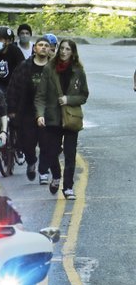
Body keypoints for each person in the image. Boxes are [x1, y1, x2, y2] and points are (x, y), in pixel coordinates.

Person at [35, 39, 89, 200]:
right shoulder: (49, 68)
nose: (64, 52)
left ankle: (68, 187)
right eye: (62, 48)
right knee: (51, 152)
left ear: (73, 52)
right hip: (53, 118)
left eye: (68, 49)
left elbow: (84, 95)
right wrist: (40, 114)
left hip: (71, 117)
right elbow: (40, 95)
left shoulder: (78, 70)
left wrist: (68, 99)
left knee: (70, 154)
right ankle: (56, 176)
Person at [6, 36, 52, 181]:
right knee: (27, 142)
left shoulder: (53, 67)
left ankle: (43, 171)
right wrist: (12, 109)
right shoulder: (24, 66)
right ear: (34, 48)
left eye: (46, 45)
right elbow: (13, 87)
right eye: (40, 45)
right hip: (26, 110)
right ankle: (31, 161)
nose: (43, 47)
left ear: (50, 49)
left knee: (46, 142)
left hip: (48, 110)